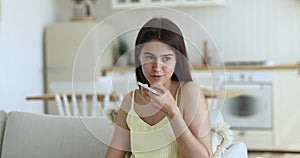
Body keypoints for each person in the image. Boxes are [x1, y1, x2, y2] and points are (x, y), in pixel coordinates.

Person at [105, 17, 212, 158]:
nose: (157, 67)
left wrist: (172, 111)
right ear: (139, 58)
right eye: (149, 57)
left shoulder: (189, 93)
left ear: (177, 60)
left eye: (166, 58)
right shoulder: (129, 101)